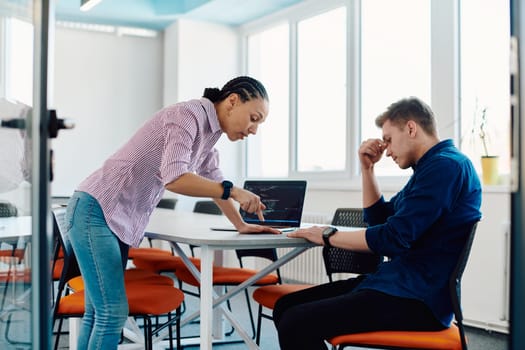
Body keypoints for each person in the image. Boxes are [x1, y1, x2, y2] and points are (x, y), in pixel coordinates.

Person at [65, 76, 281, 350]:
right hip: (96, 211)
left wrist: (241, 224)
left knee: (99, 312)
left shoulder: (209, 135)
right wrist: (235, 191)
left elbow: (215, 181)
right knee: (111, 313)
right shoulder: (187, 115)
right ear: (232, 101)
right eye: (254, 118)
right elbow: (175, 178)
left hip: (110, 216)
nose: (254, 130)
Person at [276, 97, 482, 350]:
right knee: (285, 306)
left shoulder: (447, 167)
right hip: (396, 285)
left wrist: (328, 235)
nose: (387, 150)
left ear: (410, 128)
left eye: (388, 139)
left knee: (296, 322)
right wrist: (367, 170)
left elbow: (392, 239)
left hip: (418, 299)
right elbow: (380, 219)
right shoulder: (428, 169)